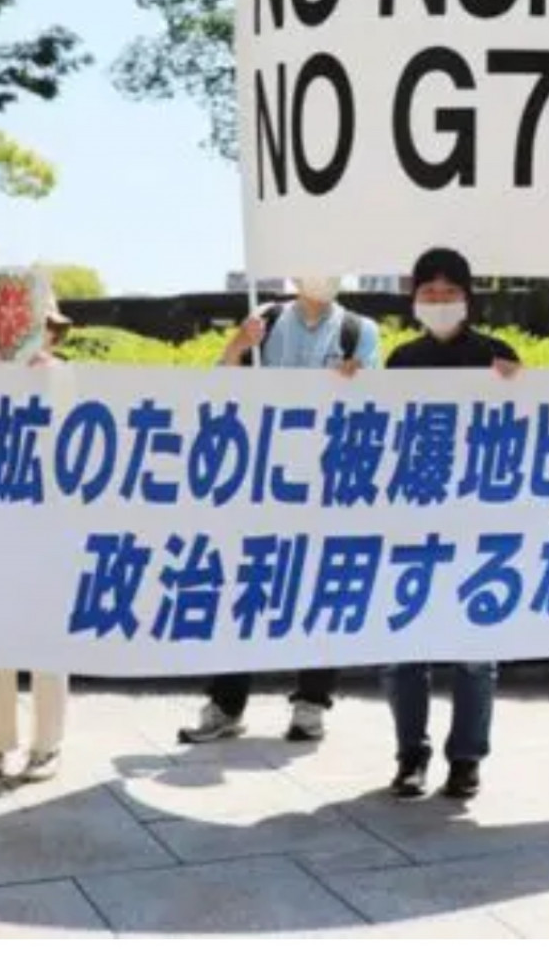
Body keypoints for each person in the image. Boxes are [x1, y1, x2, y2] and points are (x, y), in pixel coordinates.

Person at [179, 275, 380, 745]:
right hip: (260, 482)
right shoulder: (263, 320)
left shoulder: (359, 330)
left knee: (318, 591)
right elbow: (218, 389)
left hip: (326, 482)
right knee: (243, 588)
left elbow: (374, 405)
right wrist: (236, 348)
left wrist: (357, 384)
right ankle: (225, 706)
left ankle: (311, 706)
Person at [382, 248, 519, 800]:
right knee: (401, 652)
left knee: (474, 655)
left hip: (479, 522)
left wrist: (521, 384)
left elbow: (530, 418)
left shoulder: (497, 356)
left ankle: (465, 758)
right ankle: (410, 755)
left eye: (449, 292)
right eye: (428, 293)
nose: (438, 302)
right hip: (411, 519)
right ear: (414, 300)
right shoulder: (400, 360)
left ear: (468, 297)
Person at [0, 298, 75, 784]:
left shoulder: (65, 380)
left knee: (47, 642)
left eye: (43, 328)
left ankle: (47, 745)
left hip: (47, 530)